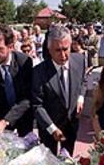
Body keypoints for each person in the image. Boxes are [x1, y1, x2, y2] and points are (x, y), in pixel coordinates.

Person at [32, 25, 86, 156]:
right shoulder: (39, 72)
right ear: (49, 50)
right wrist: (52, 128)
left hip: (71, 125)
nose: (63, 55)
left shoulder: (80, 60)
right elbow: (37, 105)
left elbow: (83, 82)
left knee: (67, 163)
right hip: (49, 128)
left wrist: (81, 97)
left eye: (65, 49)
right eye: (57, 50)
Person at [0, 24, 33, 137]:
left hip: (23, 115)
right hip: (0, 118)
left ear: (11, 46)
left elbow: (26, 98)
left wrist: (6, 121)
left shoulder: (24, 62)